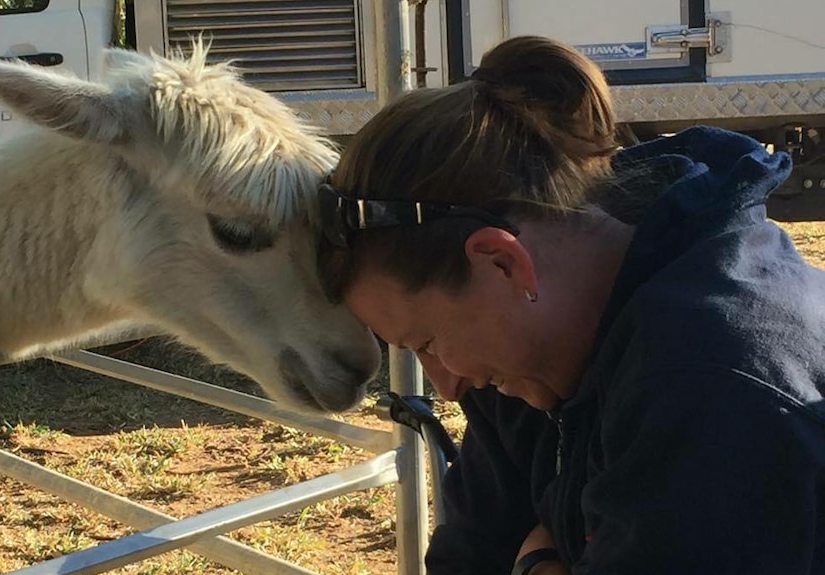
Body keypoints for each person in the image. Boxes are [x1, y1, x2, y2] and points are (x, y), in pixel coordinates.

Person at [316, 34, 825, 575]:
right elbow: (470, 553)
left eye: (428, 344)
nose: (445, 385)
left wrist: (534, 556)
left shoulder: (712, 384)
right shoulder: (535, 357)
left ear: (501, 263)